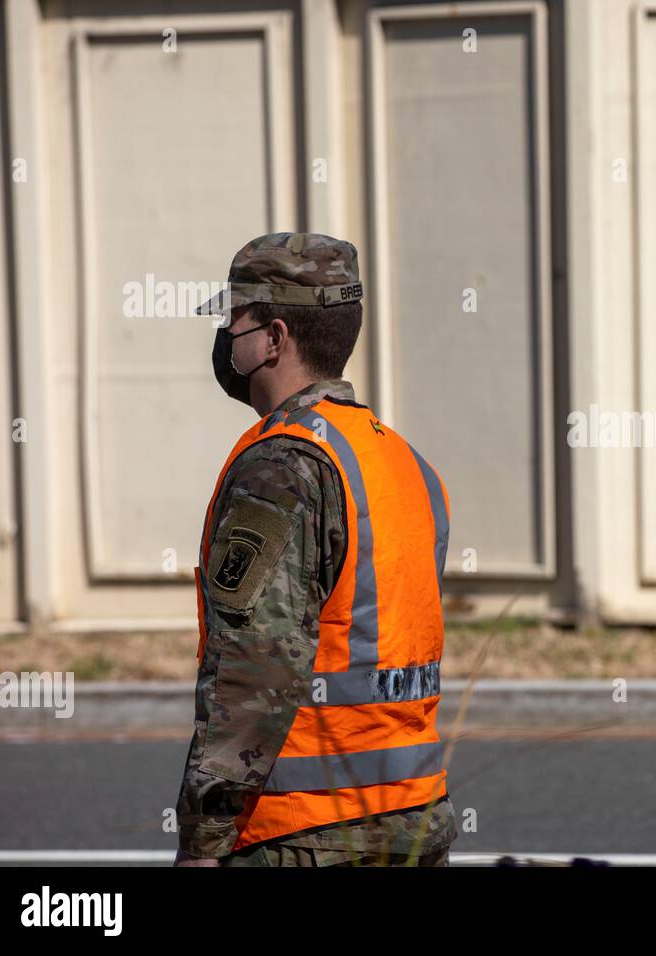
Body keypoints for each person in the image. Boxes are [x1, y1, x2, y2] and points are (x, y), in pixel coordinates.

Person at [173, 232, 457, 867]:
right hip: (412, 819)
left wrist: (202, 840)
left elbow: (255, 671)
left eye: (234, 322)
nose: (226, 340)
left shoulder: (284, 465)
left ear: (273, 339)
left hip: (302, 833)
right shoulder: (403, 462)